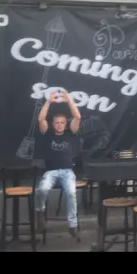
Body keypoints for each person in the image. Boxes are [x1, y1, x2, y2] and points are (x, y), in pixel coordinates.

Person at [36, 90, 82, 241]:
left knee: (71, 193)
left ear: (65, 123)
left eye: (62, 122)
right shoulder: (48, 133)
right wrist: (49, 101)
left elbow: (77, 117)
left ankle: (72, 225)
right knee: (42, 189)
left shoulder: (70, 132)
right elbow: (41, 119)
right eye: (57, 122)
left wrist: (69, 100)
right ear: (53, 124)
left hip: (67, 171)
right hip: (51, 171)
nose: (60, 125)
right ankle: (40, 212)